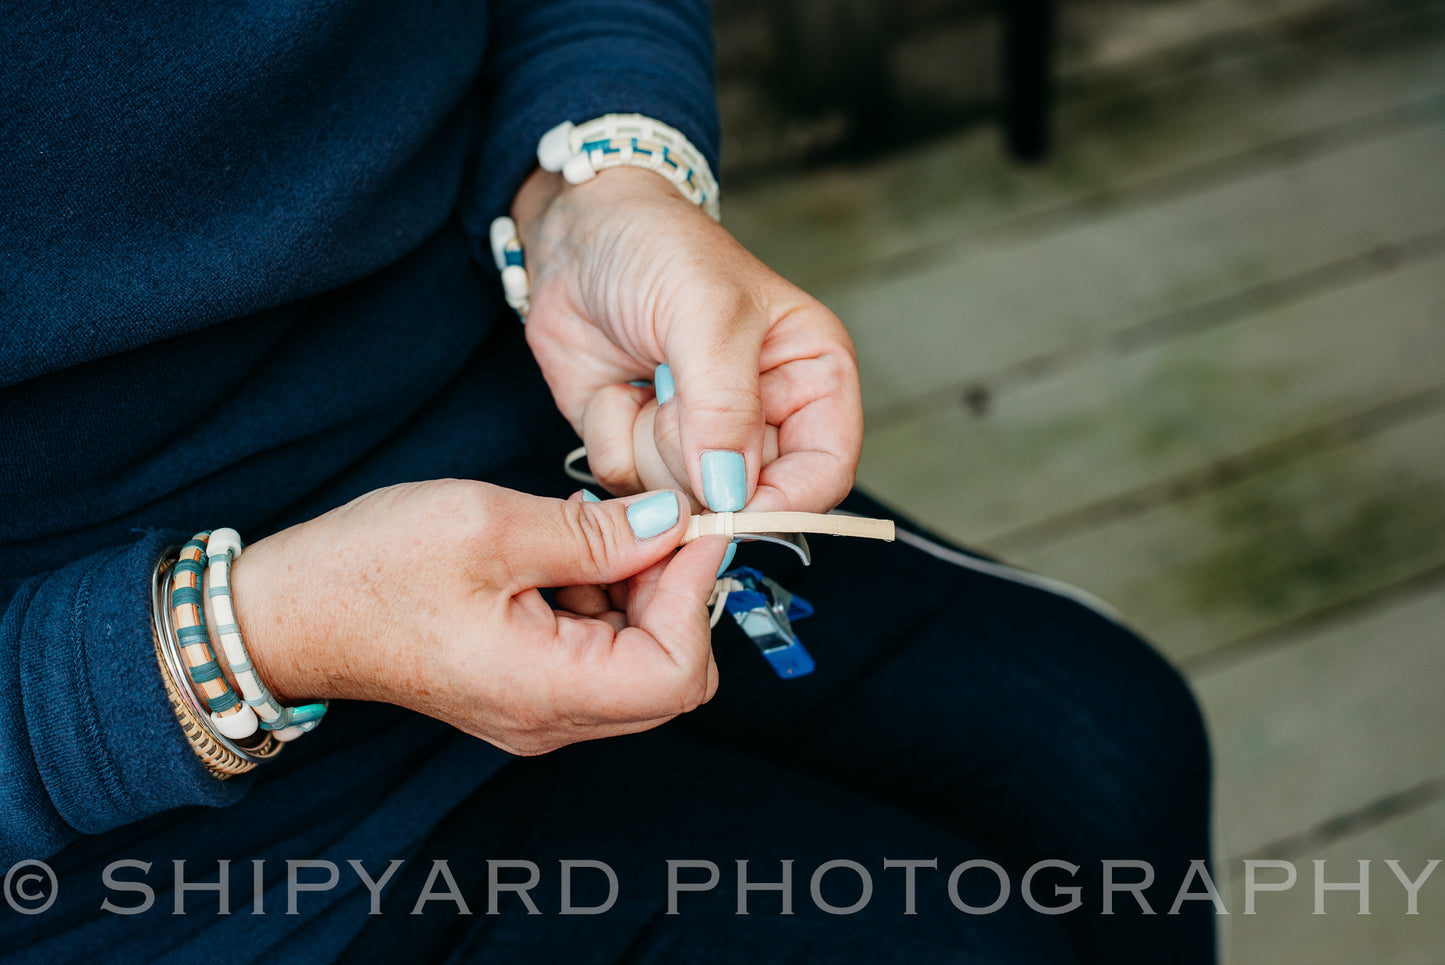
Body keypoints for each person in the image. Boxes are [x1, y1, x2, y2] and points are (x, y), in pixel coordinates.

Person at [0, 1, 1216, 961]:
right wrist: (234, 645)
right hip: (131, 826)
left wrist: (596, 181)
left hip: (549, 430)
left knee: (1111, 748)